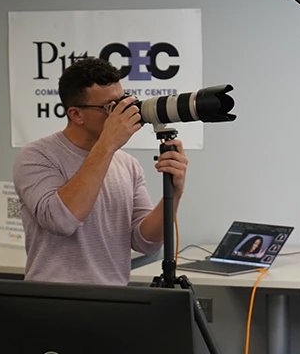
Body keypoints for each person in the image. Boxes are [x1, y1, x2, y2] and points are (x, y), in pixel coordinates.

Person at [13, 57, 189, 285]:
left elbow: (146, 242)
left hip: (113, 300)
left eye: (124, 101)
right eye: (110, 107)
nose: (122, 113)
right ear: (76, 114)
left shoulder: (127, 164)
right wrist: (107, 143)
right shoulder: (37, 156)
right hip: (53, 302)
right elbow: (61, 221)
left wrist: (174, 194)